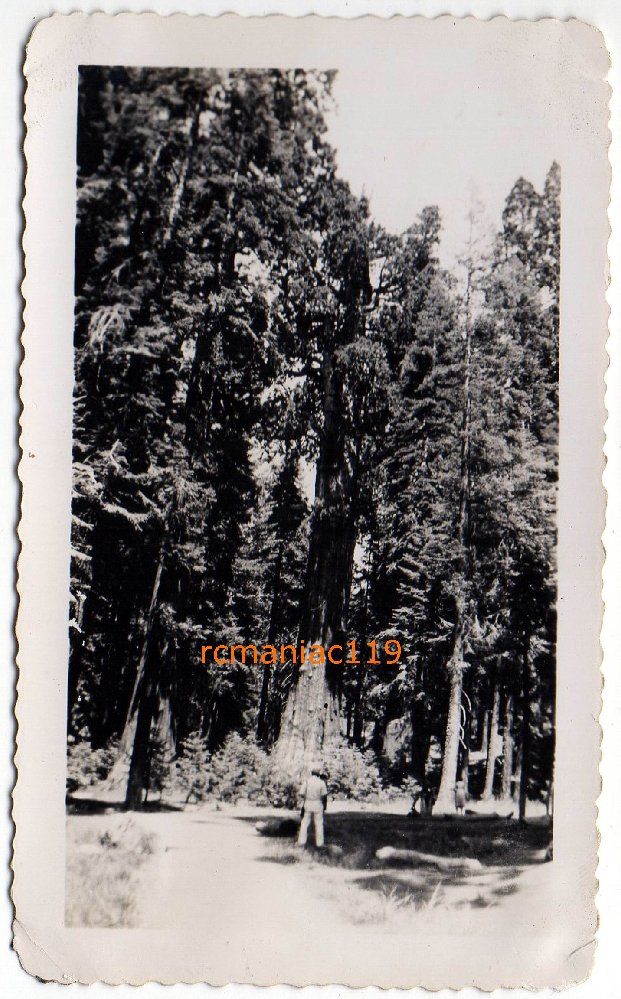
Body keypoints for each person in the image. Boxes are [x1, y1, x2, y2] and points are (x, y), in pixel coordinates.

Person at [297, 764, 328, 848]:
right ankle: (320, 843)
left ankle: (301, 842)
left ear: (311, 773)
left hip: (308, 803)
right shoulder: (321, 782)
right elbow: (324, 795)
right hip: (318, 803)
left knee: (305, 823)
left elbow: (301, 793)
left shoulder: (307, 781)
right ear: (318, 774)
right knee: (319, 823)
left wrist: (307, 797)